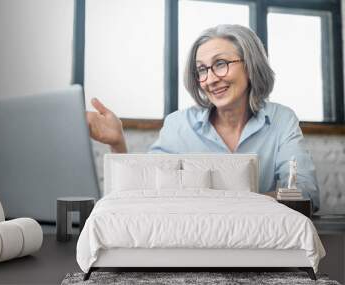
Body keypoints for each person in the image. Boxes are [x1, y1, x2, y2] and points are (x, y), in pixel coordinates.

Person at [86, 24, 320, 211]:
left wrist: (220, 200)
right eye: (201, 69)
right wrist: (117, 144)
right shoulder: (178, 125)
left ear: (250, 65)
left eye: (220, 64)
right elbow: (145, 192)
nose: (210, 79)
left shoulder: (282, 120)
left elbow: (306, 194)